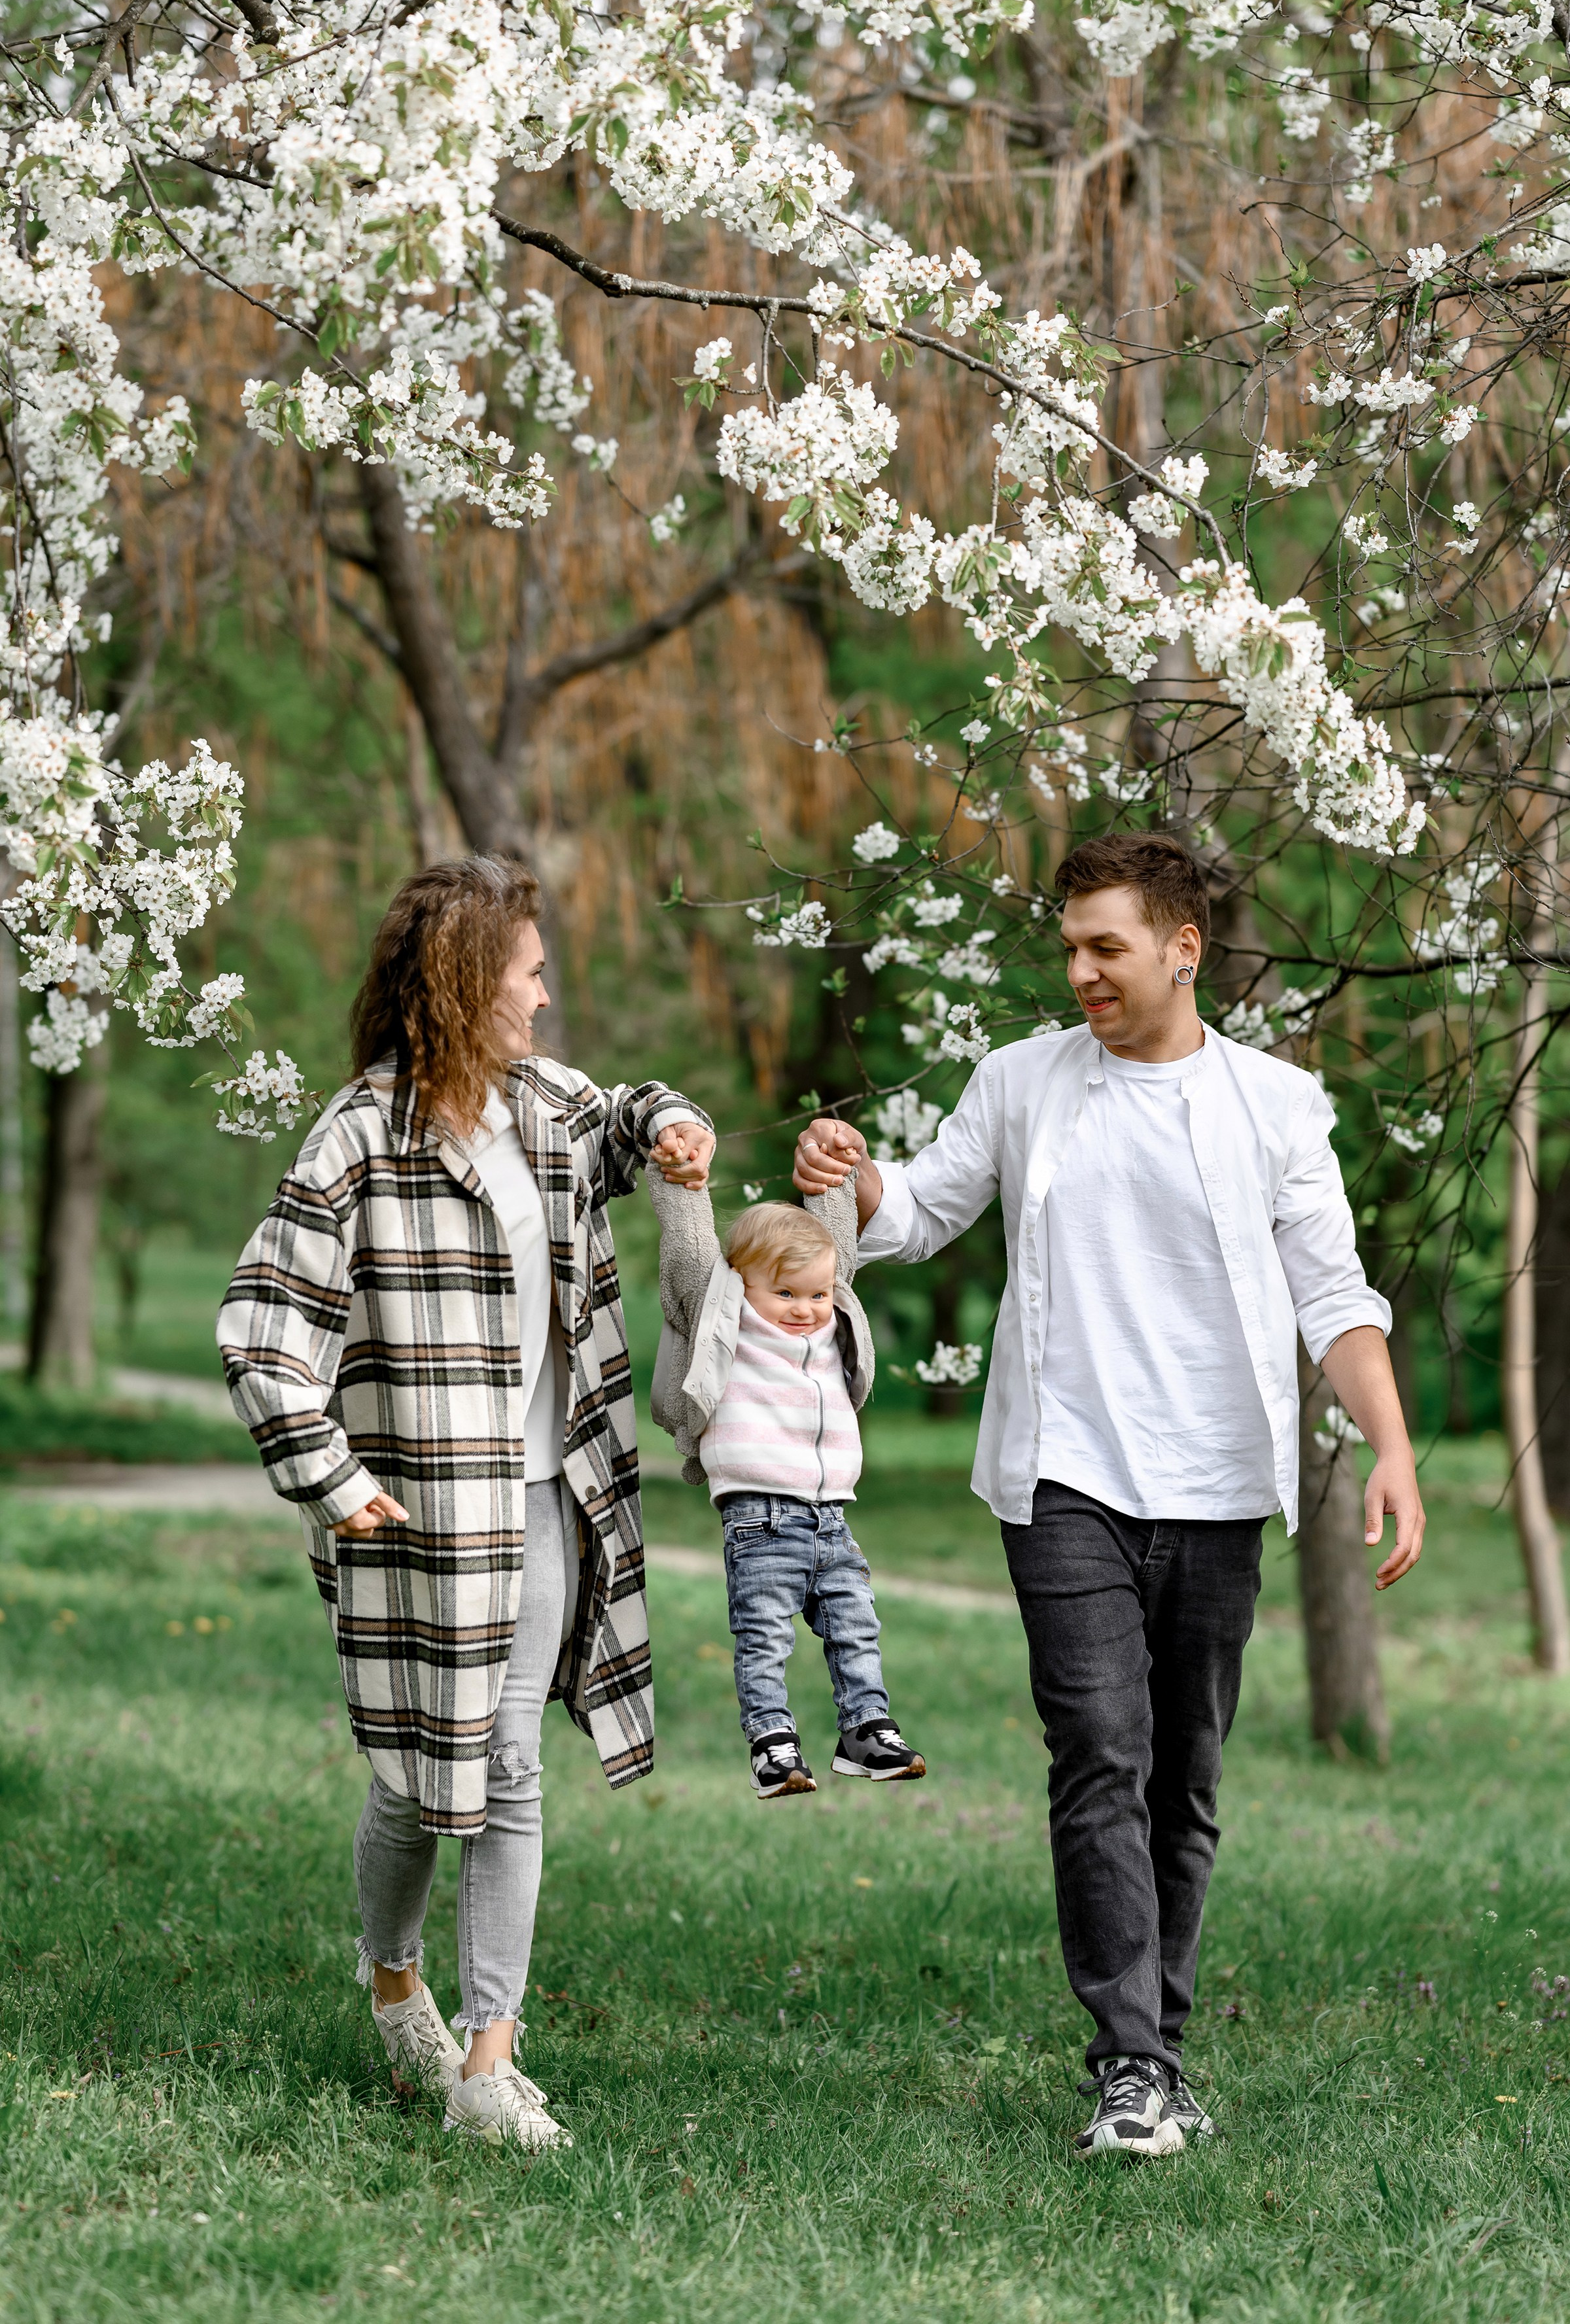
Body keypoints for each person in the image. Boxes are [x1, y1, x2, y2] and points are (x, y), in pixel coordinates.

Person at [794, 831, 1423, 2160]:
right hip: (1062, 1471)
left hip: (1215, 1482)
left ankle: (1163, 2050)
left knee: (1183, 1778)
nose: (1080, 971)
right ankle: (1129, 2066)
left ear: (1183, 949)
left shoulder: (1275, 1105)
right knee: (1098, 1750)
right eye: (1070, 947)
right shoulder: (1022, 1081)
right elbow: (918, 1210)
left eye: (1106, 947)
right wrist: (854, 1175)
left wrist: (1392, 1446)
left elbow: (1333, 1293)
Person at [218, 856, 714, 2151]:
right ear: (464, 981)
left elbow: (630, 1116)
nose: (545, 1000)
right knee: (417, 1777)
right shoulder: (356, 1140)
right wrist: (333, 1479)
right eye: (531, 975)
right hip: (421, 1513)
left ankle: (490, 2059)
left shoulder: (548, 1105)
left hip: (549, 1495)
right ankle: (394, 1980)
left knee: (508, 1768)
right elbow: (262, 1329)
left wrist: (674, 1126)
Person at [646, 1176, 925, 1796]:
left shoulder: (829, 1323)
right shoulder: (729, 1320)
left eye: (817, 1293)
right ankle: (772, 1741)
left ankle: (866, 1729)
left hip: (833, 1518)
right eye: (786, 1293)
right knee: (764, 1637)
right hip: (760, 1517)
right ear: (740, 1285)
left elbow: (835, 1240)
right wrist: (680, 1176)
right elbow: (690, 1249)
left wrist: (836, 1170)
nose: (804, 1307)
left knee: (857, 1627)